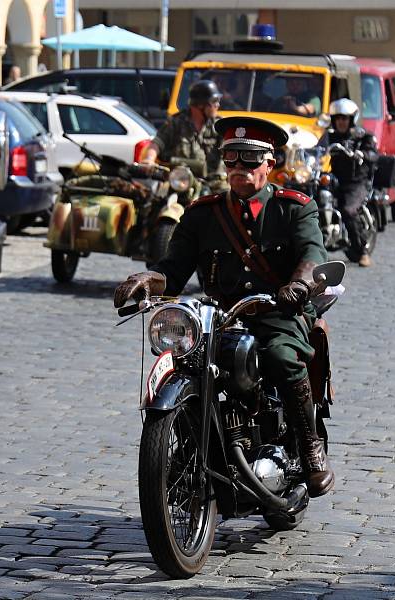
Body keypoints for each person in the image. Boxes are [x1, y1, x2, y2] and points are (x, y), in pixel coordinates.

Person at [114, 116, 334, 498]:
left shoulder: (294, 208)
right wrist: (149, 279)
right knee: (187, 362)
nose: (239, 169)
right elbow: (175, 268)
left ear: (270, 162)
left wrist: (298, 284)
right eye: (231, 159)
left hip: (277, 312)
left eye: (249, 160)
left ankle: (310, 446)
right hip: (219, 317)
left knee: (282, 357)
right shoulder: (204, 213)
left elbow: (313, 254)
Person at [141, 79, 228, 193]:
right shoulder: (176, 123)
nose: (218, 105)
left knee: (231, 202)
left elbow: (229, 149)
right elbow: (157, 143)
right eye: (214, 101)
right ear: (200, 105)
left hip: (214, 183)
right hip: (181, 182)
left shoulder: (219, 125)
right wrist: (149, 160)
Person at [326, 98, 378, 267]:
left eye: (345, 118)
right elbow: (315, 146)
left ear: (351, 119)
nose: (341, 122)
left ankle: (362, 251)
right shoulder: (328, 136)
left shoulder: (362, 136)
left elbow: (373, 154)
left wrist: (362, 154)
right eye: (338, 118)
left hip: (357, 183)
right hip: (333, 180)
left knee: (348, 211)